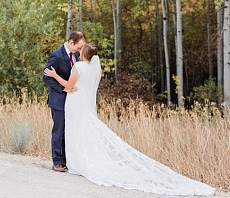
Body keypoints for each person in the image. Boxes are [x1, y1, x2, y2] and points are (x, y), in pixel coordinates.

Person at [44, 44, 215, 195]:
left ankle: (76, 163)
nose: (79, 50)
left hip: (75, 102)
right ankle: (75, 162)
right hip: (81, 102)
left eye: (82, 49)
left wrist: (53, 75)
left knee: (75, 131)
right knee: (79, 131)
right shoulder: (92, 67)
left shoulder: (80, 66)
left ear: (85, 54)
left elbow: (68, 85)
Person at [42, 31, 85, 172]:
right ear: (71, 42)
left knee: (69, 131)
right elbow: (46, 77)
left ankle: (67, 160)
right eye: (78, 47)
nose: (79, 51)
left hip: (73, 100)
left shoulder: (78, 55)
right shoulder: (56, 56)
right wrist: (63, 88)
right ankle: (57, 162)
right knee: (58, 131)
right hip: (58, 99)